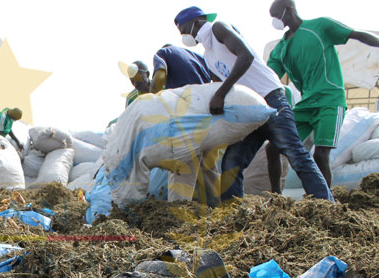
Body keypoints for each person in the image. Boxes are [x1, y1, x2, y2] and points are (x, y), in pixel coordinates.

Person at [174, 6, 333, 202]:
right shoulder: (208, 55)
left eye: (183, 30)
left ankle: (325, 204)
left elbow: (245, 57)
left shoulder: (218, 29)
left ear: (197, 22)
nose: (184, 36)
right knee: (232, 161)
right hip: (247, 111)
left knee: (294, 153)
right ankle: (232, 213)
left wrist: (221, 94)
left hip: (270, 98)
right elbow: (217, 87)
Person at [267, 0, 379, 188]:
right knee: (272, 148)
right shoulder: (280, 48)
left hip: (330, 100)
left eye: (276, 14)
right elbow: (268, 77)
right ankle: (276, 197)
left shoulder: (320, 26)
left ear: (289, 10)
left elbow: (357, 35)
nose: (275, 20)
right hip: (305, 105)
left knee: (321, 155)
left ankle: (325, 201)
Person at [146, 44, 217, 204]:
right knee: (208, 167)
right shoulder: (199, 58)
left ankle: (176, 213)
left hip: (187, 117)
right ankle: (216, 211)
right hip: (208, 116)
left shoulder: (163, 52)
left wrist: (154, 100)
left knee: (182, 166)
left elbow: (159, 77)